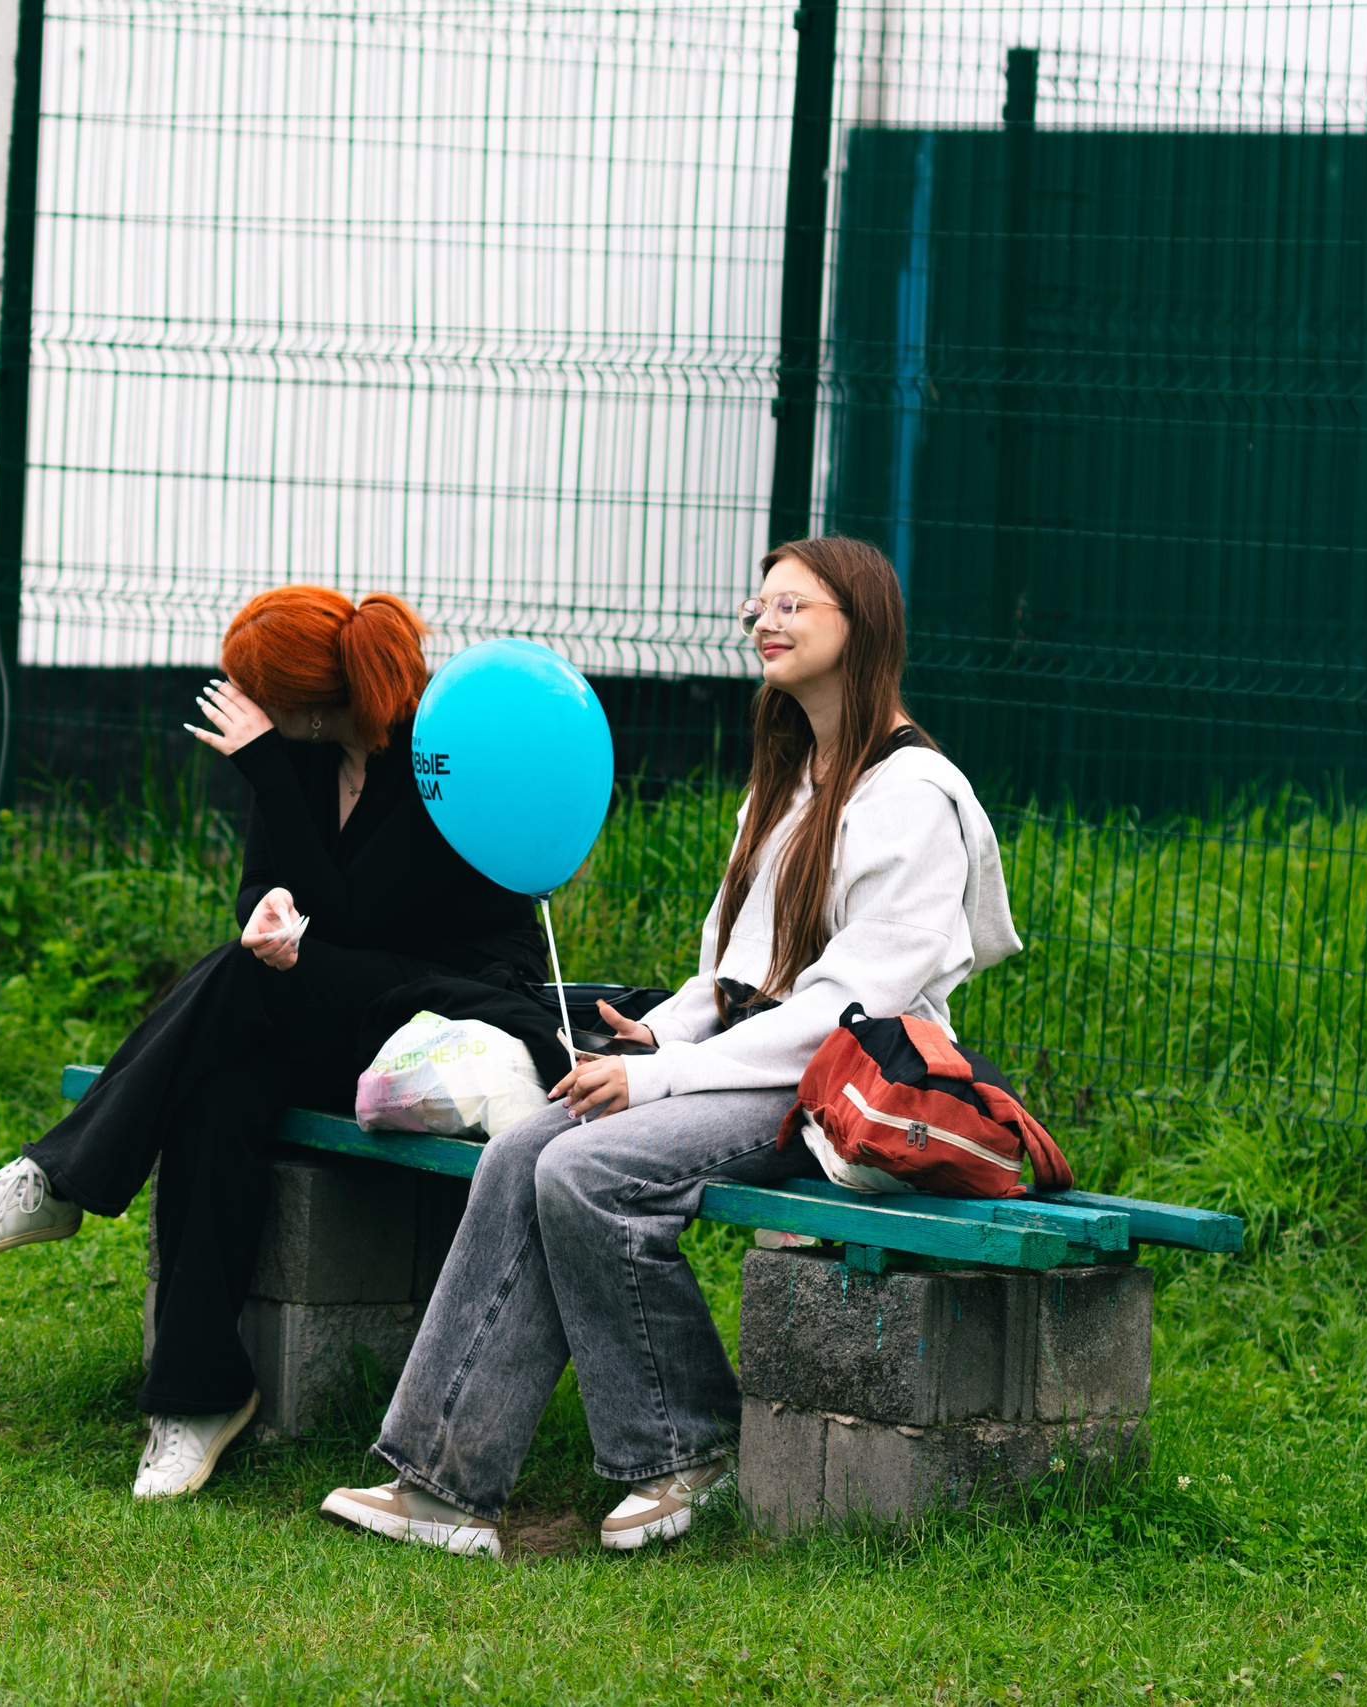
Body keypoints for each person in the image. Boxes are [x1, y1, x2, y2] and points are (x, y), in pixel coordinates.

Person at [319, 535, 1021, 1558]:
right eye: (759, 607)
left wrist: (663, 1072)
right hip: (737, 1064)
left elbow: (840, 1008)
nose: (764, 622)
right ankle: (442, 1482)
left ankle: (684, 1448)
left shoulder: (910, 799)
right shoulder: (787, 781)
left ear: (861, 628)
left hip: (836, 1086)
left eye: (794, 607)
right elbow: (729, 976)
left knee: (589, 1171)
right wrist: (663, 1031)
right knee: (525, 1146)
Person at [0, 586, 544, 1499]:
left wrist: (268, 788)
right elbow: (270, 893)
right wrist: (269, 915)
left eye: (254, 692)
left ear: (307, 698)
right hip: (336, 1016)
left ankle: (57, 1179)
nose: (240, 707)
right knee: (220, 1092)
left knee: (243, 987)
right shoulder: (299, 754)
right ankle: (198, 1393)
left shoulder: (430, 760)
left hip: (449, 1016)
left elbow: (363, 916)